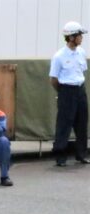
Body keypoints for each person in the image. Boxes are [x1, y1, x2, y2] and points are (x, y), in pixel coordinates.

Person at [50, 21, 89, 166]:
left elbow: (81, 71)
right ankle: (60, 156)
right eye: (79, 35)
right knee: (64, 124)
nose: (81, 38)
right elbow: (53, 79)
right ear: (71, 37)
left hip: (80, 90)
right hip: (66, 90)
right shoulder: (59, 56)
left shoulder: (81, 52)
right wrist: (63, 92)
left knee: (82, 123)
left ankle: (81, 154)